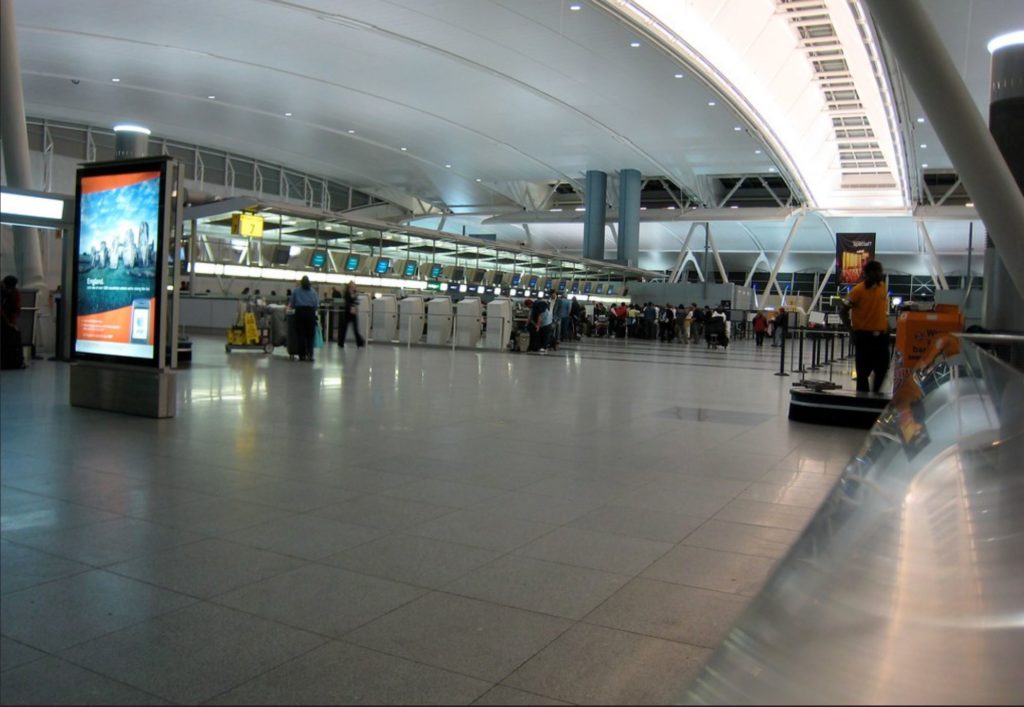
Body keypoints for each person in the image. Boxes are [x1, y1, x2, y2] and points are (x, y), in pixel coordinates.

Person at [847, 260, 890, 394]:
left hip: (881, 336)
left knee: (882, 367)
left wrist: (886, 326)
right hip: (864, 337)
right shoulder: (858, 291)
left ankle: (875, 393)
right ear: (867, 274)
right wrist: (851, 331)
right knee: (863, 373)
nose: (879, 274)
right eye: (875, 272)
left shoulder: (882, 286)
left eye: (880, 271)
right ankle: (862, 399)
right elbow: (843, 310)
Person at [289, 276, 319, 361]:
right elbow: (316, 304)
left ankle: (302, 355)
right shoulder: (313, 291)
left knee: (300, 335)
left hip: (300, 313)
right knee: (310, 335)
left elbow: (292, 303)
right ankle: (310, 354)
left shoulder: (296, 291)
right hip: (310, 313)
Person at [1, 275, 26, 370]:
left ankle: (17, 362)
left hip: (7, 319)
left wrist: (12, 322)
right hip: (4, 320)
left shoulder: (14, 292)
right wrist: (8, 323)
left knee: (15, 334)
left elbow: (17, 308)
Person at [338, 282, 366, 348]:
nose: (354, 287)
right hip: (347, 313)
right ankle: (341, 343)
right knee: (344, 329)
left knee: (355, 329)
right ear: (350, 286)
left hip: (353, 313)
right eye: (352, 286)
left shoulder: (354, 293)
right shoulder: (347, 293)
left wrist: (354, 304)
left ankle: (360, 342)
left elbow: (356, 301)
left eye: (354, 286)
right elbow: (348, 302)